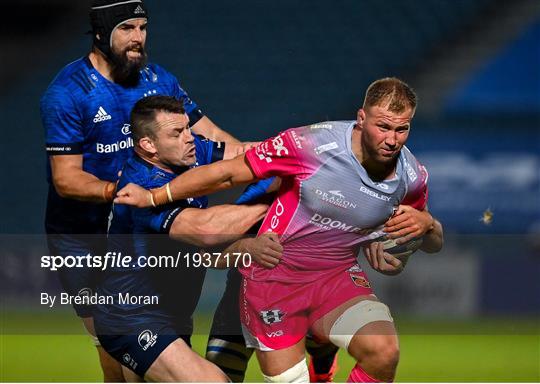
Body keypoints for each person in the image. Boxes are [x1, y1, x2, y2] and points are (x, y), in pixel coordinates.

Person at [115, 77, 444, 382]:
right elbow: (223, 190)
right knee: (223, 368)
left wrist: (426, 225)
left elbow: (431, 241)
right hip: (272, 279)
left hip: (336, 278)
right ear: (361, 118)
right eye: (383, 127)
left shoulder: (411, 175)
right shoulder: (311, 145)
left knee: (384, 352)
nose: (392, 139)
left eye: (402, 129)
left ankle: (321, 350)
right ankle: (320, 351)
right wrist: (155, 196)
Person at [40, 0, 245, 380]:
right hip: (86, 242)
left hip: (149, 228)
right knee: (115, 351)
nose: (138, 38)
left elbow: (212, 136)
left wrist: (264, 166)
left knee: (171, 336)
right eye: (127, 29)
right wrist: (124, 192)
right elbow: (66, 178)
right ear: (101, 33)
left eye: (142, 27)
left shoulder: (159, 79)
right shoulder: (68, 92)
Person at [93, 95, 282, 382]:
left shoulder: (192, 155)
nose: (190, 138)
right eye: (177, 133)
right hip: (131, 315)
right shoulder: (142, 188)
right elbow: (206, 231)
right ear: (148, 145)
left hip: (171, 316)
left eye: (188, 128)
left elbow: (249, 153)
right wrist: (276, 204)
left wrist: (300, 152)